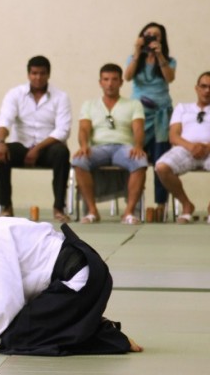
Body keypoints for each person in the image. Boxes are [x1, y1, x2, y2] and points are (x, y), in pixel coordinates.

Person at [0, 218, 142, 356]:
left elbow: (4, 300)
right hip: (86, 275)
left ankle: (106, 336)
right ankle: (84, 322)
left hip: (78, 282)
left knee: (13, 339)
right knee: (16, 328)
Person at [0, 56, 72, 222]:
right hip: (21, 147)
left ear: (48, 75)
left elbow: (63, 130)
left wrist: (37, 149)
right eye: (34, 73)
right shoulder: (15, 94)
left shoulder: (60, 97)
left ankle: (59, 208)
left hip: (48, 149)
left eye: (42, 73)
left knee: (62, 152)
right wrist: (0, 142)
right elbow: (4, 121)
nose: (38, 77)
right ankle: (5, 206)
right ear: (28, 74)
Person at [72, 63, 148, 224]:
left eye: (114, 79)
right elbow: (84, 129)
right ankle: (92, 211)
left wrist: (138, 146)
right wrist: (84, 145)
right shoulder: (89, 104)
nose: (110, 83)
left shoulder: (133, 104)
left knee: (140, 161)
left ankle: (129, 213)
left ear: (121, 82)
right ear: (100, 82)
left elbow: (139, 129)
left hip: (123, 147)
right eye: (106, 79)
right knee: (78, 161)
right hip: (98, 148)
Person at [124, 22, 176, 220]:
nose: (151, 38)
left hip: (161, 116)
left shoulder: (169, 60)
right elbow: (127, 77)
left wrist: (160, 55)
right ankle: (134, 204)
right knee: (136, 159)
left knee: (160, 158)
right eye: (148, 35)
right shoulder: (134, 58)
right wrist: (137, 52)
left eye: (156, 35)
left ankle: (161, 204)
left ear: (161, 39)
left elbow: (170, 78)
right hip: (138, 115)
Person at [154, 71, 210, 224]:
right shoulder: (182, 108)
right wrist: (192, 146)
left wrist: (206, 147)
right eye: (203, 86)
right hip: (185, 148)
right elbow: (173, 136)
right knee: (161, 167)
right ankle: (186, 205)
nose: (207, 90)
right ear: (196, 88)